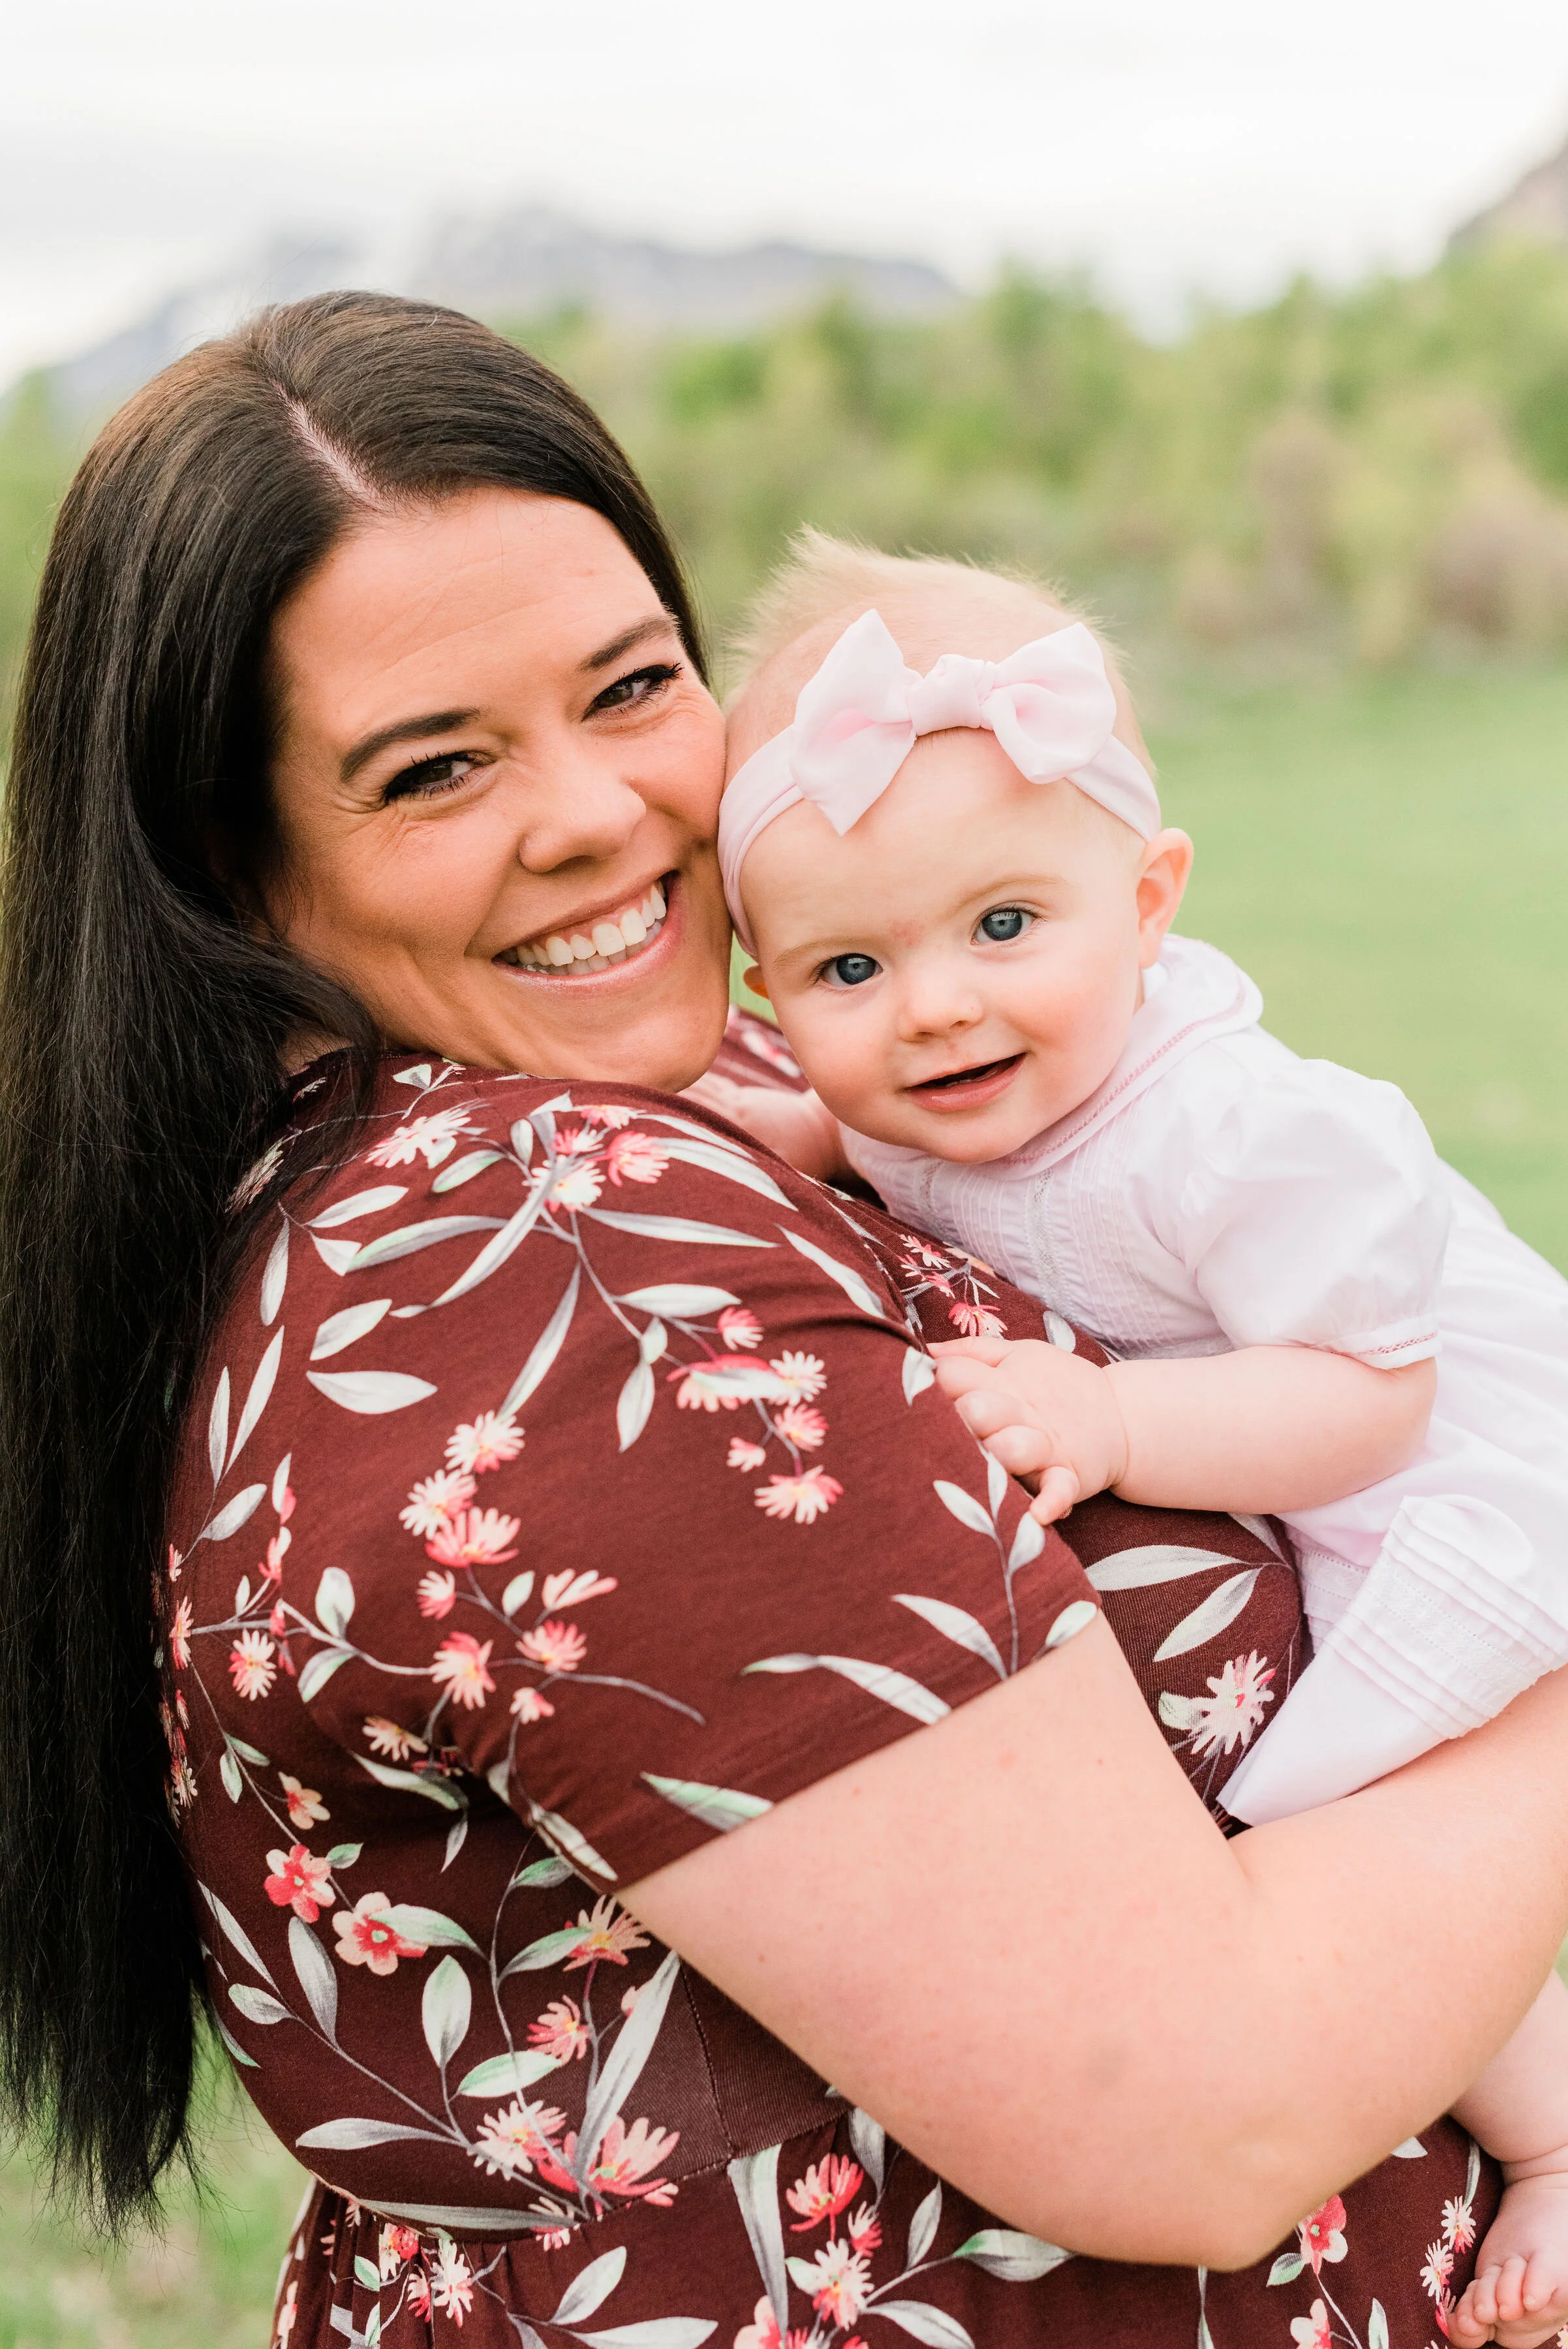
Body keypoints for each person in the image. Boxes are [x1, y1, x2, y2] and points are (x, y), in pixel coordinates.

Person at [1, 295, 1567, 2349]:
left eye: (634, 687)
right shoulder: (568, 1260)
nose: (598, 814)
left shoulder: (576, 1139)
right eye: (437, 767)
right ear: (232, 864)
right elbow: (1197, 2113)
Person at [706, 536, 1568, 2343]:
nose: (939, 1001)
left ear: (1153, 898)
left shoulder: (1234, 1131)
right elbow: (865, 1142)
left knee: (1372, 1828)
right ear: (775, 994)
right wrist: (780, 1145)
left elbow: (1372, 1388)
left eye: (1006, 925)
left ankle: (1558, 2142)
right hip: (1331, 1455)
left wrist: (1116, 1421)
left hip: (1448, 1480)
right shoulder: (940, 1084)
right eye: (852, 965)